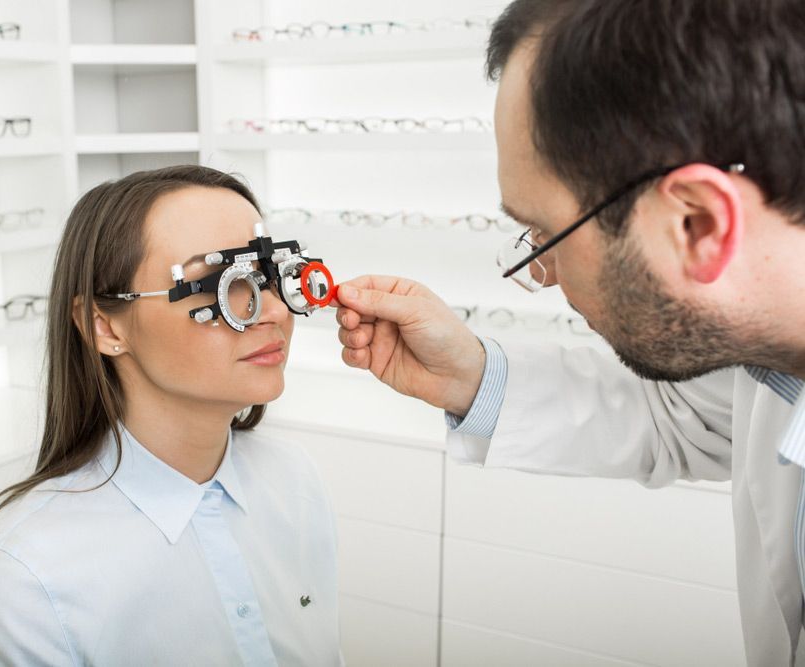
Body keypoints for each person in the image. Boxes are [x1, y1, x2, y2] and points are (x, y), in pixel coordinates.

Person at [333, 1, 805, 664]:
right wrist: (469, 373)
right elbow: (681, 417)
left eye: (545, 236)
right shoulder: (769, 359)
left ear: (697, 223)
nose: (543, 273)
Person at [0, 165, 340, 665]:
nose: (274, 311)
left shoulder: (292, 480)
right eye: (220, 283)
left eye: (270, 277)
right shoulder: (23, 579)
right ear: (104, 326)